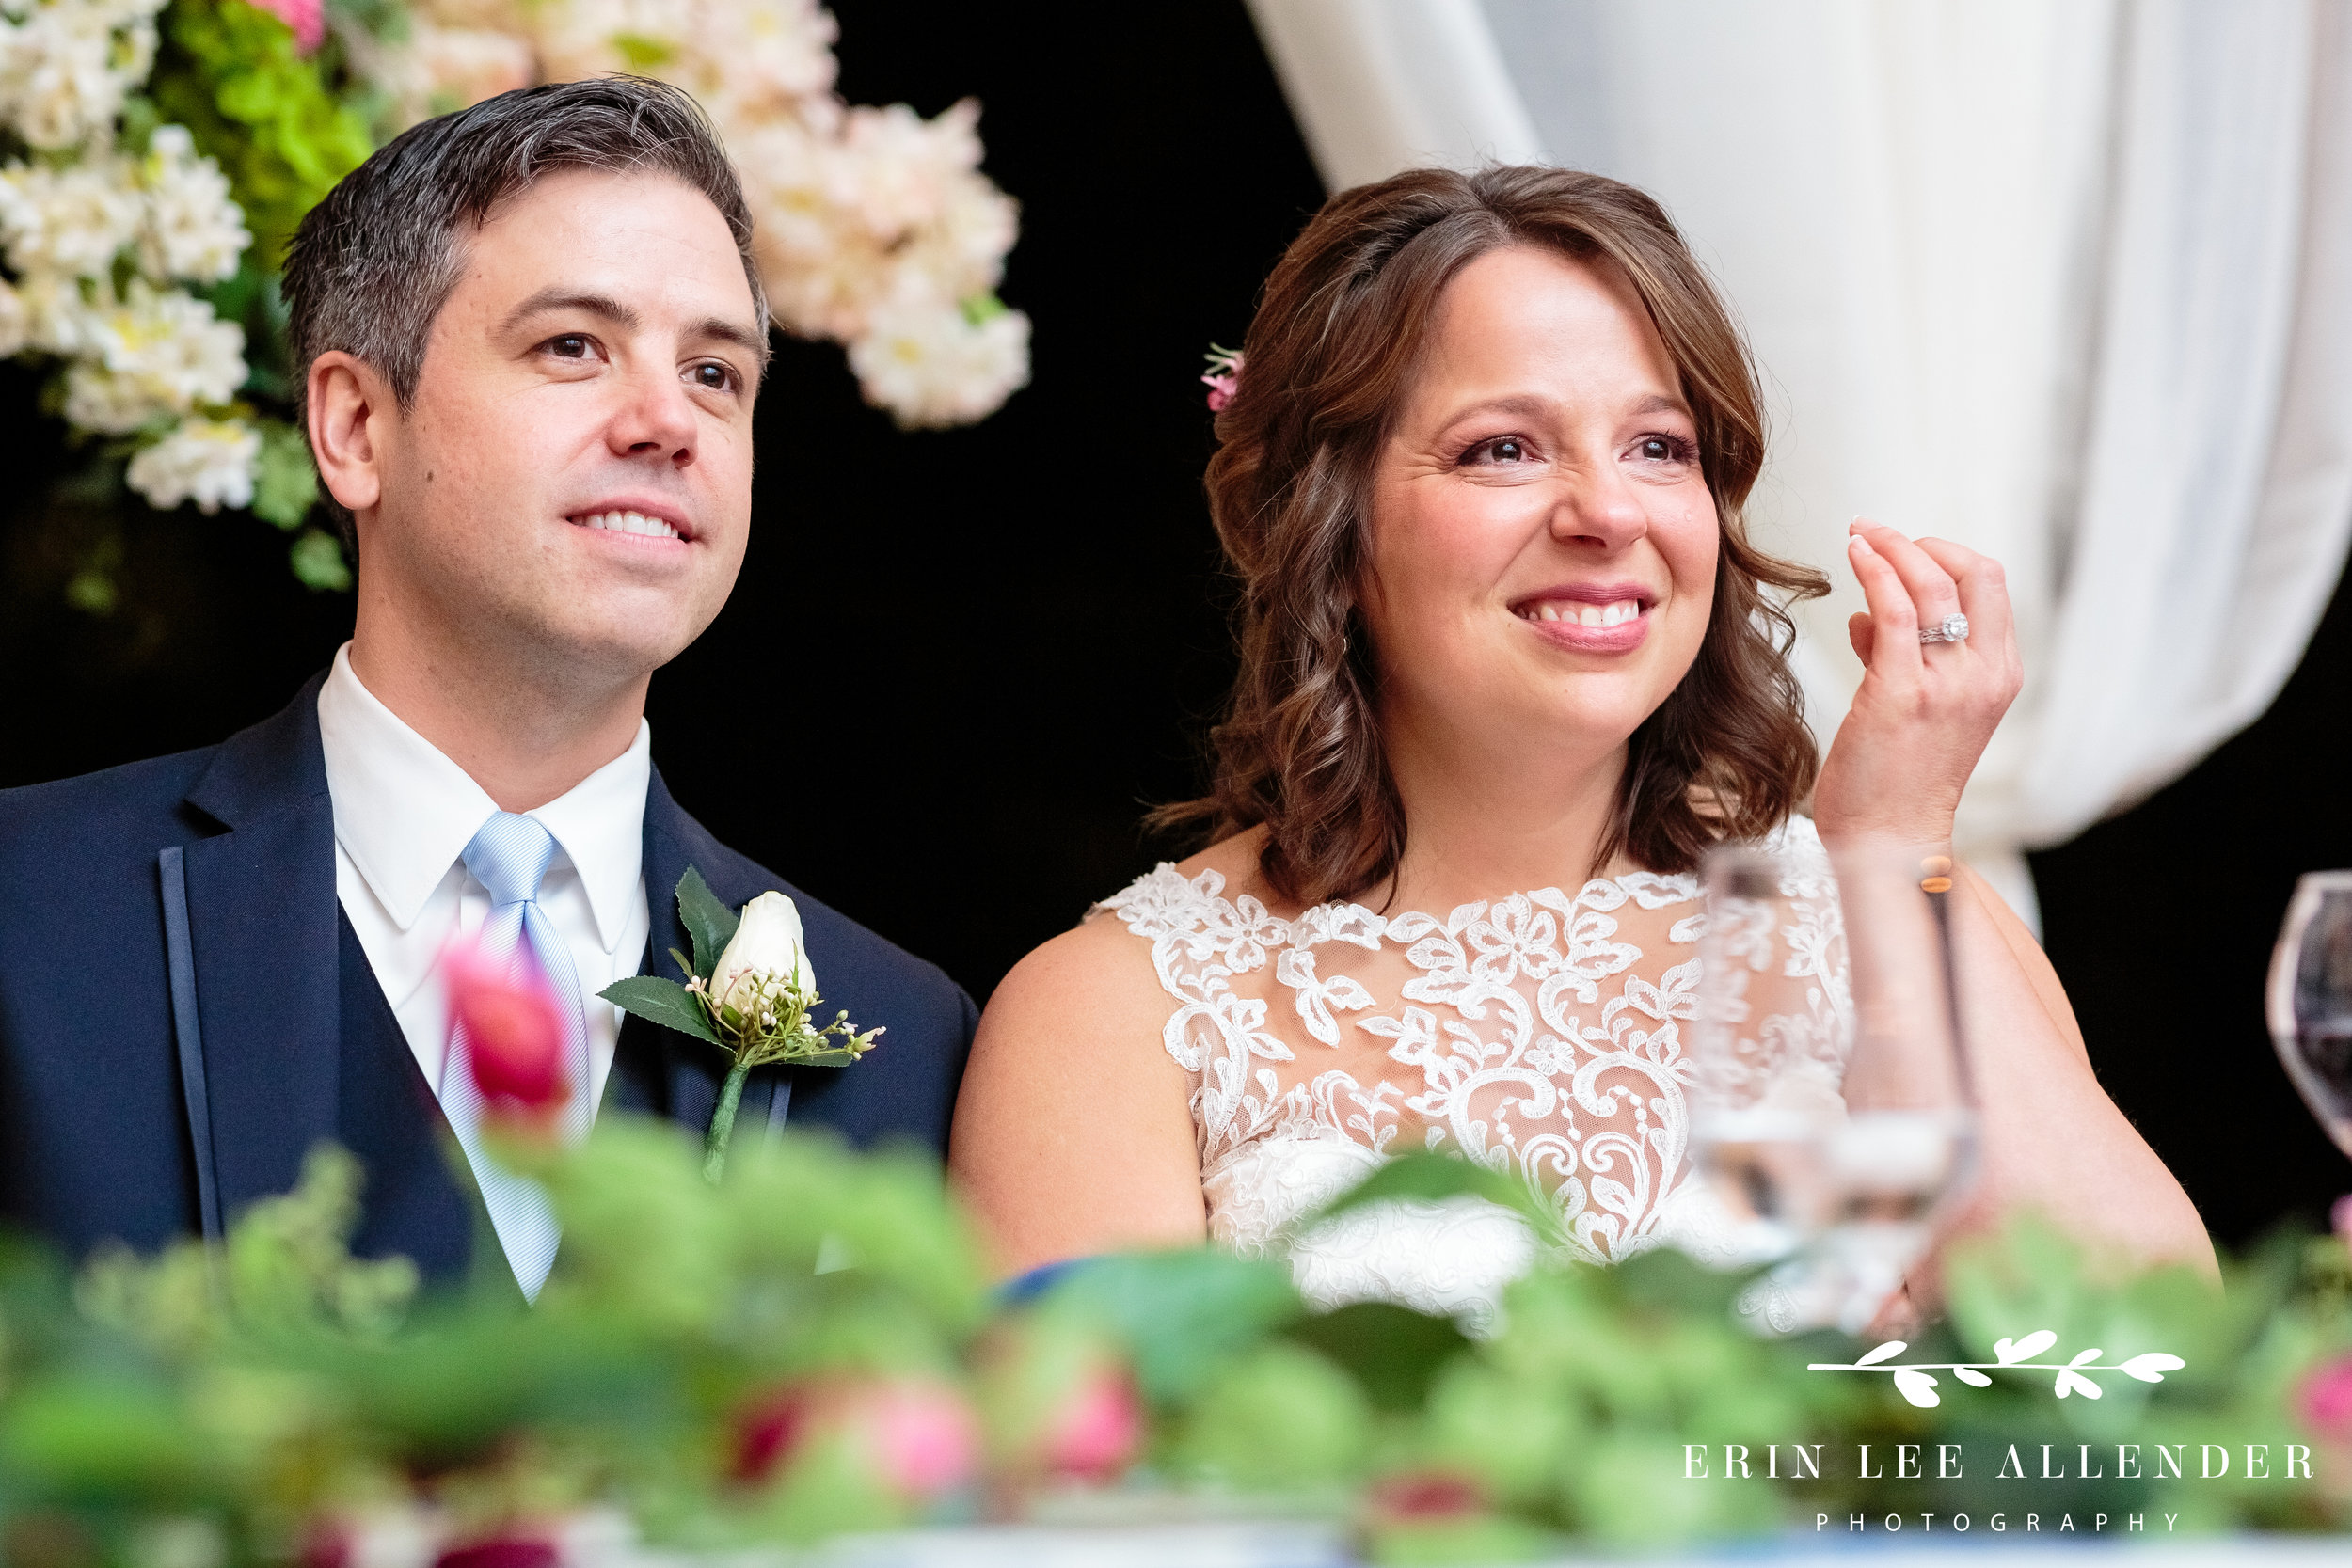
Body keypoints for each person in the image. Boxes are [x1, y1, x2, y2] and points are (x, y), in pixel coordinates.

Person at [950, 166, 2213, 1321]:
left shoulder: (1897, 912)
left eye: (1660, 448)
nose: (1609, 511)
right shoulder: (1113, 1014)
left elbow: (2158, 1372)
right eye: (1504, 448)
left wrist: (1887, 856)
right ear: (1323, 533)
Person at [0, 78, 973, 1298]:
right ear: (354, 425)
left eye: (718, 373)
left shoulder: (897, 1031)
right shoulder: (27, 910)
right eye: (574, 346)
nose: (671, 420)